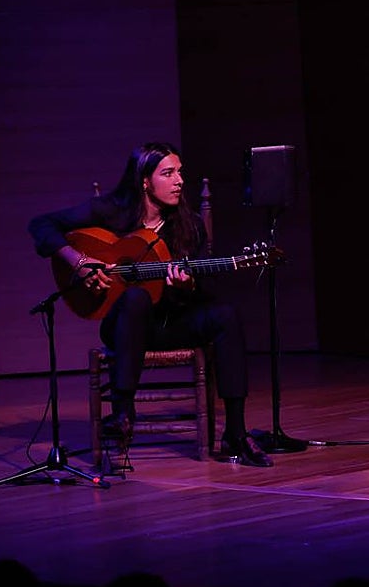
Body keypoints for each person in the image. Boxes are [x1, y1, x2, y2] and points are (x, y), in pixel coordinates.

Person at [27, 141, 272, 467]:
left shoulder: (190, 225)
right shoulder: (110, 212)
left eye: (180, 173)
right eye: (168, 173)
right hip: (125, 326)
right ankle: (123, 414)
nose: (179, 181)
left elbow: (204, 288)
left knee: (226, 314)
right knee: (135, 296)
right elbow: (41, 225)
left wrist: (187, 285)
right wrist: (78, 261)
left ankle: (236, 434)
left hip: (170, 324)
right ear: (144, 180)